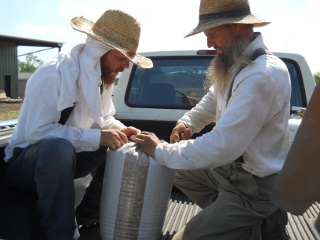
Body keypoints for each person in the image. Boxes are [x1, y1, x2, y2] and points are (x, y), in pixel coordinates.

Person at [135, 0, 291, 239]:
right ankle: (238, 222)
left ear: (236, 26)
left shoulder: (261, 74)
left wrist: (161, 150)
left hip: (254, 187)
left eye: (213, 34)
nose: (209, 43)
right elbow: (212, 99)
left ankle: (250, 218)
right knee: (172, 169)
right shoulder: (239, 64)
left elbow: (222, 145)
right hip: (231, 173)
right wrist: (188, 121)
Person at [4, 9, 152, 240]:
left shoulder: (101, 78)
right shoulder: (55, 73)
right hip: (25, 165)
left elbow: (104, 119)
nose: (126, 66)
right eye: (122, 57)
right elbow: (37, 133)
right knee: (58, 149)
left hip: (66, 160)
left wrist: (123, 131)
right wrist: (98, 137)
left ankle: (90, 211)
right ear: (101, 51)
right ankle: (63, 234)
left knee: (122, 143)